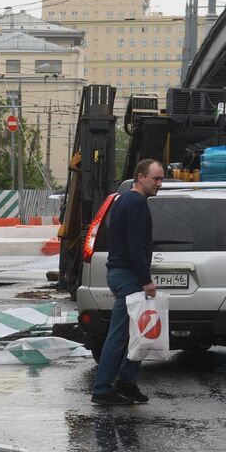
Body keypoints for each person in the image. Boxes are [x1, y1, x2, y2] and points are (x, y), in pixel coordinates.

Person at [91, 158, 164, 406]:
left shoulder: (122, 201)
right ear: (140, 177)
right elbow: (135, 245)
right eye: (156, 178)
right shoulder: (137, 204)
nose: (159, 183)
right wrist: (146, 280)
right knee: (120, 334)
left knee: (138, 332)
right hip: (128, 276)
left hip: (120, 273)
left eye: (161, 178)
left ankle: (126, 382)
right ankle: (102, 389)